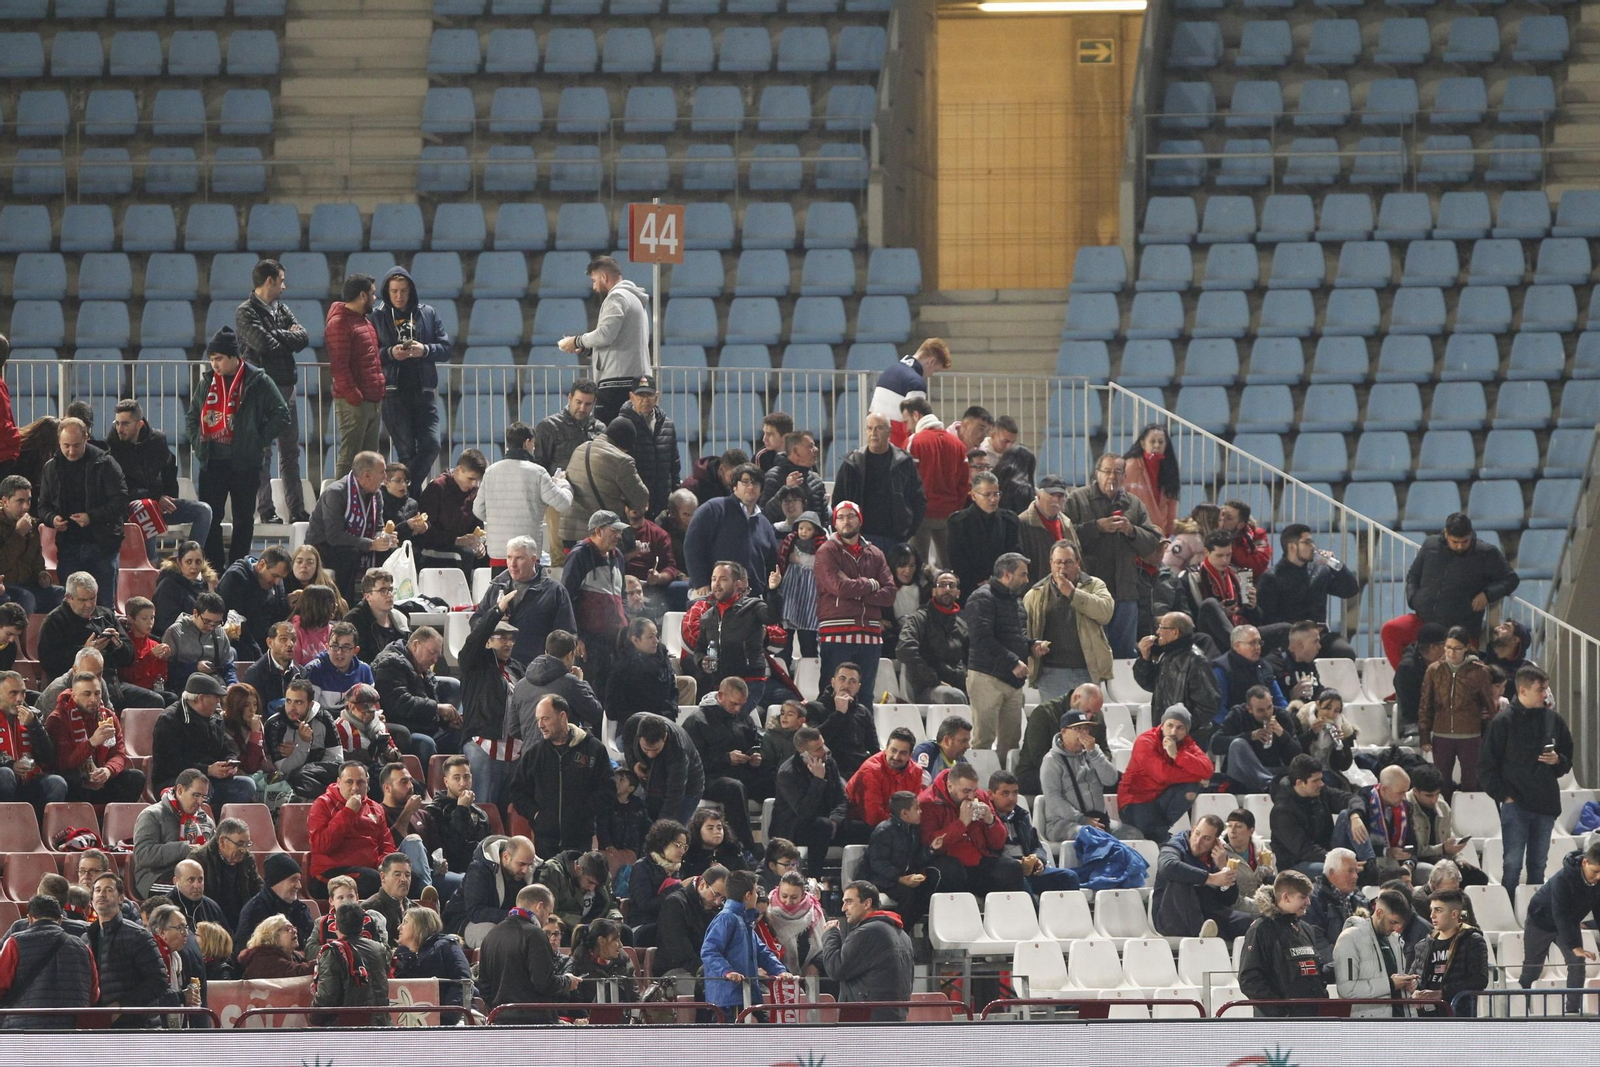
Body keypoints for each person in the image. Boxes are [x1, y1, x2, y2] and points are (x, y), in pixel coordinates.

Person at [187, 327, 294, 569]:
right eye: (212, 360)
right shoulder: (207, 382)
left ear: (235, 357)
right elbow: (192, 417)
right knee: (210, 518)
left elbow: (282, 414)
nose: (215, 365)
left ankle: (238, 567)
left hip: (245, 462)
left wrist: (257, 439)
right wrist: (198, 442)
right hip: (212, 459)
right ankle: (213, 568)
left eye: (219, 359)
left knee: (244, 519)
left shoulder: (258, 381)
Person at [1382, 512, 1520, 668]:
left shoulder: (1486, 553)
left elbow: (1511, 579)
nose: (1460, 546)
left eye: (1465, 541)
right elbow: (1413, 575)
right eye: (1455, 542)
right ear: (1446, 534)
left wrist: (1488, 595)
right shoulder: (1430, 545)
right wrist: (1414, 598)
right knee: (1390, 630)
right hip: (1424, 620)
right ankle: (1408, 680)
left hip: (1461, 627)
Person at [1481, 664, 1573, 889]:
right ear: (1523, 690)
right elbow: (1486, 766)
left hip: (1545, 803)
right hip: (1516, 804)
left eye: (1546, 689)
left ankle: (1534, 915)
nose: (1546, 694)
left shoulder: (1554, 720)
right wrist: (1504, 796)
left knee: (1538, 865)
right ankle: (1510, 907)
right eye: (1541, 689)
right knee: (1512, 865)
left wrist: (1558, 761)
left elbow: (1567, 758)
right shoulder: (1502, 723)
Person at [233, 259, 310, 524]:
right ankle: (266, 511)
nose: (284, 286)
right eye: (281, 280)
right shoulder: (245, 311)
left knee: (290, 453)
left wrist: (277, 336)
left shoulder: (281, 308)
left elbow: (304, 337)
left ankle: (297, 510)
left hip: (286, 387)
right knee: (263, 452)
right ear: (269, 281)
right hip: (261, 390)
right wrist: (284, 336)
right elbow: (262, 344)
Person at [1064, 455, 1162, 658]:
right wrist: (1096, 527)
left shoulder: (1134, 504)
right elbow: (1065, 538)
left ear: (1125, 476)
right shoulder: (1077, 499)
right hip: (1089, 589)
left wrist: (1131, 531)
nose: (1112, 477)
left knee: (1124, 654)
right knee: (1091, 652)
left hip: (1125, 591)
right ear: (1097, 473)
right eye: (1107, 471)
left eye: (1118, 472)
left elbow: (1152, 542)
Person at [37, 416, 128, 609]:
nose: (71, 450)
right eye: (66, 445)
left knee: (104, 607)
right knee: (71, 608)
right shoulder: (51, 467)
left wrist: (92, 517)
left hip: (103, 545)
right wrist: (53, 519)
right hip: (69, 545)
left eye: (76, 445)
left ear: (86, 438)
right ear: (59, 442)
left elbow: (120, 501)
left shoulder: (105, 463)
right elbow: (42, 506)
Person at [107, 399, 211, 566]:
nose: (120, 429)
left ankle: (186, 560)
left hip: (157, 502)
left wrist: (168, 496)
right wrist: (156, 498)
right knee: (146, 508)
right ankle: (152, 564)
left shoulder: (157, 440)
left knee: (204, 511)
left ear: (140, 424)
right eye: (117, 423)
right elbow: (122, 489)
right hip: (131, 509)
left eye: (125, 424)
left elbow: (169, 468)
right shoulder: (112, 448)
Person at [507, 694, 613, 858]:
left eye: (545, 719)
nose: (540, 725)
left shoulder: (594, 749)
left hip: (581, 841)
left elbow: (607, 788)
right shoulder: (534, 754)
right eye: (538, 720)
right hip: (544, 844)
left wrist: (584, 812)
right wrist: (537, 815)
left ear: (562, 716)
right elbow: (517, 792)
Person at [964, 552, 1044, 756]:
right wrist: (1013, 661)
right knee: (983, 740)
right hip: (986, 678)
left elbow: (1015, 637)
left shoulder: (1016, 601)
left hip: (1013, 681)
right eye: (1023, 574)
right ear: (1007, 575)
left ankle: (1003, 785)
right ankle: (978, 786)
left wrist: (1031, 645)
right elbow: (981, 639)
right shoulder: (981, 598)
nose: (1027, 580)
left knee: (1011, 742)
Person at [812, 500, 896, 694]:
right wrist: (870, 584)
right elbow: (840, 587)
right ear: (834, 522)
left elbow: (890, 594)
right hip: (836, 632)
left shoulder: (876, 553)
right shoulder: (826, 551)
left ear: (860, 520)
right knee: (832, 694)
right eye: (840, 517)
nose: (846, 521)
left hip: (871, 634)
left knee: (864, 696)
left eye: (851, 516)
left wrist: (856, 593)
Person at [558, 256, 651, 424]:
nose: (594, 287)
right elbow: (620, 338)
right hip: (635, 379)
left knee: (609, 440)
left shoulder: (616, 297)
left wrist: (577, 341)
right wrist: (588, 349)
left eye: (594, 280)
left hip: (617, 383)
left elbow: (605, 334)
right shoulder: (635, 298)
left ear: (604, 277)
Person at [770, 727, 870, 879]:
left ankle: (860, 883)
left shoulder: (829, 762)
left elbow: (842, 798)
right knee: (821, 826)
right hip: (792, 827)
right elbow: (805, 813)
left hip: (829, 822)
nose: (824, 751)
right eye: (818, 749)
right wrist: (818, 780)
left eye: (823, 745)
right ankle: (813, 880)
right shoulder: (787, 773)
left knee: (867, 830)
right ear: (804, 754)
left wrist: (835, 820)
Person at [476, 882, 580, 1024]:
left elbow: (484, 985)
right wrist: (568, 981)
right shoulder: (535, 934)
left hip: (500, 1021)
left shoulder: (491, 935)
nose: (546, 920)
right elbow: (544, 983)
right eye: (549, 913)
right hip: (536, 1024)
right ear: (540, 906)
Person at [456, 598, 525, 813]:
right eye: (501, 637)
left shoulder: (518, 668)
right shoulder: (475, 664)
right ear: (487, 641)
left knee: (508, 814)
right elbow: (474, 640)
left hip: (515, 750)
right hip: (484, 747)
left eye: (511, 638)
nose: (508, 642)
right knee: (483, 810)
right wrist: (496, 611)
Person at [1025, 539, 1114, 701]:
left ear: (1078, 563)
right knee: (1055, 723)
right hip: (1051, 673)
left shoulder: (1094, 585)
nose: (1062, 567)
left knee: (1085, 723)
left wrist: (1073, 593)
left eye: (1068, 562)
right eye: (1058, 562)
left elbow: (1105, 613)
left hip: (1087, 670)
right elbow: (1026, 630)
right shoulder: (1035, 593)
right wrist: (1033, 645)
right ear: (1050, 563)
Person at [306, 451, 400, 602]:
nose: (385, 477)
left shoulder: (377, 494)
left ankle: (383, 603)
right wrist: (370, 544)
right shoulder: (336, 493)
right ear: (367, 475)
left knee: (393, 552)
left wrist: (384, 538)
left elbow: (378, 528)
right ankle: (345, 605)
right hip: (324, 547)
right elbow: (334, 536)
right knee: (350, 554)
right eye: (382, 472)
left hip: (356, 545)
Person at [470, 535, 576, 669]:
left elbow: (566, 633)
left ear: (533, 559)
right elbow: (475, 621)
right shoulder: (497, 586)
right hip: (497, 667)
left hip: (536, 668)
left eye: (519, 558)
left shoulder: (555, 591)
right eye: (509, 557)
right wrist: (494, 620)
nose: (512, 564)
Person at [1418, 626, 1500, 797]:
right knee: (1442, 780)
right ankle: (1446, 817)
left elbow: (1489, 707)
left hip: (1470, 735)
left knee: (1471, 781)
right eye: (1448, 647)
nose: (1451, 653)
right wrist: (1424, 735)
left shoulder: (1479, 672)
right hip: (1442, 733)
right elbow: (1426, 704)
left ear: (1466, 648)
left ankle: (1469, 818)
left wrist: (1487, 731)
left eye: (1457, 648)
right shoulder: (1434, 670)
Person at [816, 880, 915, 1022]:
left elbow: (836, 968)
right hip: (893, 1017)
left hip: (867, 1021)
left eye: (849, 902)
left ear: (867, 903)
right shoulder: (901, 933)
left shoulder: (867, 932)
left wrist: (831, 934)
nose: (843, 908)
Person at [1256, 525, 1360, 658]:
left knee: (1344, 651)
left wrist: (1337, 566)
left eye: (1312, 542)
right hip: (1291, 638)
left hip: (1318, 636)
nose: (1313, 546)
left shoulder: (1320, 571)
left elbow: (1350, 590)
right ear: (1292, 547)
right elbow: (1267, 618)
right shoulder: (1272, 577)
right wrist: (1300, 630)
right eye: (1307, 542)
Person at [150, 673, 254, 806]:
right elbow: (169, 764)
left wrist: (230, 763)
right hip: (175, 781)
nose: (218, 701)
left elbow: (226, 748)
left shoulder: (216, 718)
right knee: (202, 787)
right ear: (201, 699)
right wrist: (207, 770)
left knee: (246, 785)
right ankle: (202, 823)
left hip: (211, 778)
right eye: (215, 697)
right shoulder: (169, 720)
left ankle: (216, 822)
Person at [684, 678, 764, 852]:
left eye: (741, 705)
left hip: (741, 772)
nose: (737, 709)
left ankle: (778, 845)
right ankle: (745, 848)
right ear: (720, 696)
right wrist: (726, 759)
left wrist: (756, 757)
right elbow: (693, 764)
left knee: (773, 781)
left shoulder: (742, 717)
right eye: (734, 704)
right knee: (734, 788)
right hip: (707, 778)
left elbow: (755, 742)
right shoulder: (697, 721)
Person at [475, 422, 572, 565]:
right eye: (533, 444)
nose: (534, 448)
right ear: (527, 442)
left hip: (499, 552)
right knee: (529, 587)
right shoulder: (538, 472)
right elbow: (563, 503)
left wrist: (497, 519)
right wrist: (563, 483)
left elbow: (478, 509)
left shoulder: (491, 472)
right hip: (527, 551)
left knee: (501, 587)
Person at [0, 893, 99, 1028]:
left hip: (24, 1029)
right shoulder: (83, 947)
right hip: (71, 1031)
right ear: (60, 919)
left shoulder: (15, 943)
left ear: (29, 918)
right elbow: (93, 994)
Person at [1236, 869, 1327, 1016]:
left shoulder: (1306, 929)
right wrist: (1280, 1013)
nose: (1308, 902)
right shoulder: (1261, 930)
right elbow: (1250, 980)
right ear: (1286, 897)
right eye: (1303, 897)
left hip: (1310, 1019)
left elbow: (1315, 971)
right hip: (1276, 1026)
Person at [1117, 704, 1213, 841]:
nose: (1173, 732)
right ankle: (1164, 837)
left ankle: (1162, 834)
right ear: (1162, 725)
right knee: (1155, 834)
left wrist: (1177, 755)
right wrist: (1197, 777)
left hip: (1160, 800)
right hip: (1135, 801)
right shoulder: (1145, 741)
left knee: (1193, 787)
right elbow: (1162, 775)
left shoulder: (1186, 744)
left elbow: (1208, 769)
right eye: (1170, 725)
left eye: (1180, 728)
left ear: (1186, 731)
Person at [831, 413, 926, 552]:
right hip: (861, 537)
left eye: (879, 428)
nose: (873, 433)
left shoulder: (904, 463)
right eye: (869, 428)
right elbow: (838, 501)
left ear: (889, 431)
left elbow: (918, 500)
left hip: (895, 538)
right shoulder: (852, 463)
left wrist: (908, 531)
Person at [47, 671, 146, 803]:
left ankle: (113, 820)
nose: (93, 699)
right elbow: (64, 763)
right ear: (74, 696)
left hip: (101, 778)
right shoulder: (58, 719)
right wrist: (92, 743)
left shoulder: (109, 717)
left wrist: (108, 770)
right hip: (76, 783)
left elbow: (119, 753)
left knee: (136, 777)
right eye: (87, 694)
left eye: (97, 693)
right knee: (70, 777)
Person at [85, 871, 168, 1027]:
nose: (102, 894)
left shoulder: (138, 936)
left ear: (121, 898)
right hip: (102, 1025)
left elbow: (159, 981)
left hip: (138, 1026)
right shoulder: (87, 937)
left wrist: (121, 1006)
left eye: (109, 890)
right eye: (97, 890)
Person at [701, 868, 786, 1020]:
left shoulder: (744, 921)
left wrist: (779, 970)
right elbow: (709, 951)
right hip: (728, 999)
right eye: (755, 892)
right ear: (748, 895)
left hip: (747, 994)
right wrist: (727, 971)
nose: (757, 896)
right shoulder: (727, 919)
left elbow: (762, 951)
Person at [683, 463, 779, 597]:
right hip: (712, 595)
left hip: (751, 600)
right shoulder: (713, 509)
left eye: (755, 483)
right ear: (734, 487)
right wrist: (700, 582)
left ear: (761, 490)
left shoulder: (764, 524)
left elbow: (771, 563)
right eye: (745, 482)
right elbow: (692, 546)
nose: (751, 487)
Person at [1041, 707, 1135, 842]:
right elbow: (1053, 798)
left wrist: (1094, 754)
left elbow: (1111, 780)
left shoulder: (1093, 752)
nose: (1083, 733)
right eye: (1078, 729)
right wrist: (1081, 819)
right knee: (1091, 835)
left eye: (1086, 728)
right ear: (1064, 732)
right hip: (1063, 824)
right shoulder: (1052, 760)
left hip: (1098, 820)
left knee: (1132, 834)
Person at [1269, 754, 1370, 878]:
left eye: (1321, 779)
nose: (1321, 784)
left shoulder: (1320, 792)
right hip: (1297, 864)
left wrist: (1355, 816)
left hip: (1328, 853)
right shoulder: (1281, 811)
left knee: (1348, 813)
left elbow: (1352, 798)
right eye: (1315, 781)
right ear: (1300, 783)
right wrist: (1339, 862)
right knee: (1336, 871)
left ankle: (1370, 864)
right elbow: (1304, 850)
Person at [1153, 814, 1251, 940]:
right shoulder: (1174, 845)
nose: (1198, 841)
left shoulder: (1218, 855)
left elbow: (1229, 900)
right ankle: (1206, 935)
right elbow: (1167, 866)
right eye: (1197, 833)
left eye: (1206, 838)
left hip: (1207, 915)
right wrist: (1210, 878)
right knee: (1180, 879)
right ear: (1193, 830)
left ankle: (1211, 934)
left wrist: (1223, 867)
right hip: (1172, 917)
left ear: (1216, 841)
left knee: (1250, 921)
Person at [559, 416, 651, 550]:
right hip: (600, 536)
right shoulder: (622, 460)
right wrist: (623, 498)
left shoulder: (580, 448)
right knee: (602, 571)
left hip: (570, 532)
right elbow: (641, 499)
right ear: (625, 445)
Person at [324, 272, 384, 474]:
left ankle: (364, 504)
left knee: (369, 461)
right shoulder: (339, 323)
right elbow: (339, 365)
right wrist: (354, 395)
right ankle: (340, 503)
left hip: (371, 398)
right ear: (362, 295)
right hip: (355, 402)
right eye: (373, 294)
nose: (375, 298)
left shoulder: (363, 321)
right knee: (350, 457)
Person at [305, 760, 391, 898]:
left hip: (369, 871)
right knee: (373, 879)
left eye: (360, 782)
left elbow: (387, 845)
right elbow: (322, 846)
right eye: (349, 782)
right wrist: (348, 812)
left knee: (406, 878)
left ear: (367, 783)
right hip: (329, 874)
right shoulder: (322, 804)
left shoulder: (376, 808)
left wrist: (384, 864)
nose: (355, 787)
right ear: (339, 782)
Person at [561, 509, 630, 681]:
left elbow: (622, 596)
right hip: (590, 643)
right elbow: (566, 599)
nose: (619, 536)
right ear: (598, 531)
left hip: (615, 640)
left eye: (620, 531)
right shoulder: (578, 556)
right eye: (614, 531)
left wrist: (626, 622)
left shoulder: (617, 556)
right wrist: (575, 637)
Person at [373, 627, 461, 758]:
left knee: (460, 734)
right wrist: (437, 709)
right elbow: (399, 703)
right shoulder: (390, 664)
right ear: (415, 645)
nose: (435, 660)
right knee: (426, 743)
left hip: (422, 722)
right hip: (403, 727)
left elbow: (427, 697)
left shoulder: (420, 665)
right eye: (432, 653)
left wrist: (446, 720)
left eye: (438, 655)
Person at [989, 770, 1079, 893]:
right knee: (1020, 881)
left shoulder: (1021, 816)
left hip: (1028, 870)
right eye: (1005, 793)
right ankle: (1036, 912)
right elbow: (988, 855)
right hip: (1006, 872)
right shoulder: (987, 819)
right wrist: (1016, 864)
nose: (1011, 798)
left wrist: (1037, 859)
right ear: (991, 794)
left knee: (1069, 877)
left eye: (1015, 793)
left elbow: (1037, 845)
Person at [1133, 613, 1221, 739]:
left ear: (1175, 632)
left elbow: (1209, 704)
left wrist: (1181, 727)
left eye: (1162, 627)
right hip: (1166, 733)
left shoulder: (1196, 660)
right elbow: (1149, 684)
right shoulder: (1166, 655)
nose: (1158, 631)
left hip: (1187, 738)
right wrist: (1145, 659)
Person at [1333, 887, 1416, 1017]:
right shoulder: (1349, 939)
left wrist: (1408, 984)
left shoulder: (1395, 939)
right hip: (1369, 1028)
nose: (1397, 928)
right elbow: (1347, 990)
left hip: (1401, 1021)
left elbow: (1396, 980)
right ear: (1379, 912)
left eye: (1400, 924)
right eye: (1393, 922)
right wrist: (1390, 984)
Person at [441, 835, 537, 948]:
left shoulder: (525, 875)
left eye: (529, 865)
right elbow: (475, 912)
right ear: (506, 857)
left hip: (505, 923)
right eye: (521, 864)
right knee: (498, 935)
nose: (525, 870)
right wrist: (514, 915)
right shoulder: (479, 869)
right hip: (463, 922)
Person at [310, 901, 391, 1027]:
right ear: (362, 924)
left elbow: (327, 996)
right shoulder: (379, 948)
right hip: (382, 1023)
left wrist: (314, 1017)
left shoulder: (333, 952)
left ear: (335, 925)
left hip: (349, 1028)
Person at [1411, 887, 1490, 1017]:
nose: (1432, 915)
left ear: (1454, 914)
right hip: (1425, 1016)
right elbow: (1414, 976)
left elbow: (1479, 979)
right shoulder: (1424, 944)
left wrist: (1442, 993)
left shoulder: (1472, 941)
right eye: (1431, 910)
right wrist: (1414, 990)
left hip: (1457, 1014)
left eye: (1438, 910)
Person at [945, 472, 1020, 605]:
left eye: (996, 494)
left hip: (1004, 588)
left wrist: (997, 580)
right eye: (987, 495)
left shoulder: (1009, 521)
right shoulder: (958, 523)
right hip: (971, 590)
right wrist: (981, 583)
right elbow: (957, 560)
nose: (993, 499)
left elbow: (1015, 555)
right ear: (974, 495)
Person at [1211, 685, 1301, 792]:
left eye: (1269, 707)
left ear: (1272, 700)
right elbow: (1215, 744)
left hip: (1272, 771)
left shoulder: (1282, 716)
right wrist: (1249, 736)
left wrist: (1283, 734)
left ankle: (1268, 782)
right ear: (1249, 709)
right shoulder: (1238, 714)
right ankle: (1269, 783)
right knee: (1238, 744)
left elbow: (1297, 755)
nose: (1267, 714)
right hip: (1243, 774)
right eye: (1260, 710)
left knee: (1298, 771)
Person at [264, 679, 343, 798]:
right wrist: (304, 743)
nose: (292, 708)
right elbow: (285, 769)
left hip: (322, 776)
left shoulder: (324, 718)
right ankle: (330, 801)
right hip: (294, 780)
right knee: (298, 776)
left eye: (298, 703)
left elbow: (337, 760)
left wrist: (297, 752)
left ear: (310, 704)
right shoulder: (274, 725)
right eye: (288, 701)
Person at [0, 670, 64, 810]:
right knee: (5, 775)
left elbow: (47, 757)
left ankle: (40, 829)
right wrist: (11, 766)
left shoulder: (33, 716)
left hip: (28, 782)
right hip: (3, 782)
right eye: (13, 693)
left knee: (57, 783)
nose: (20, 699)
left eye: (23, 692)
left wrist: (34, 726)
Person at [870, 338, 951, 449]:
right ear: (931, 361)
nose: (931, 375)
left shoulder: (888, 371)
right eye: (934, 370)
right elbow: (914, 423)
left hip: (877, 444)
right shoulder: (916, 382)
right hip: (899, 449)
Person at [215, 546, 292, 661]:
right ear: (261, 565)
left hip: (265, 642)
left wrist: (288, 605)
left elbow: (278, 617)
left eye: (281, 578)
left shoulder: (277, 584)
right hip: (239, 642)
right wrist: (259, 655)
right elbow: (235, 621)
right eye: (275, 576)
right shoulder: (236, 577)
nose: (277, 581)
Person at [804, 662, 879, 781]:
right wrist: (839, 713)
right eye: (842, 679)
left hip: (859, 772)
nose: (846, 685)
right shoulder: (814, 707)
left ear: (858, 687)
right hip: (828, 770)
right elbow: (812, 741)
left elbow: (874, 748)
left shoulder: (863, 712)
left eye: (852, 681)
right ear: (833, 682)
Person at [0, 476, 60, 615]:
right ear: (5, 501)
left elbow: (37, 561)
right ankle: (15, 637)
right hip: (5, 586)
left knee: (62, 595)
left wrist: (41, 574)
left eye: (28, 500)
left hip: (28, 584)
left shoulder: (31, 525)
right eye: (20, 501)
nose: (26, 506)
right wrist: (19, 535)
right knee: (26, 598)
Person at [606, 616, 682, 723]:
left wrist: (672, 708)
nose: (656, 641)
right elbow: (612, 710)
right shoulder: (622, 668)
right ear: (636, 640)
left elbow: (673, 688)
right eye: (650, 637)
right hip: (637, 727)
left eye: (656, 635)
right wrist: (643, 718)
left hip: (665, 722)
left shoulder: (662, 657)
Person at [189, 817, 260, 932]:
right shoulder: (199, 859)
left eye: (247, 844)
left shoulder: (247, 859)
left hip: (241, 922)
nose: (244, 850)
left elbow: (257, 889)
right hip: (210, 925)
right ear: (222, 841)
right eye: (240, 844)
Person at [160, 591, 238, 696]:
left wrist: (232, 683)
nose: (211, 627)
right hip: (185, 686)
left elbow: (227, 664)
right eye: (206, 621)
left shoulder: (219, 632)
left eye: (216, 623)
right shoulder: (175, 632)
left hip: (215, 683)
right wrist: (194, 668)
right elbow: (166, 670)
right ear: (195, 613)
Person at [846, 727, 923, 827]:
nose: (896, 757)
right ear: (886, 749)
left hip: (896, 823)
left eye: (903, 753)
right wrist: (905, 822)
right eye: (893, 750)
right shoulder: (871, 770)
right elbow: (873, 817)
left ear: (910, 755)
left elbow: (915, 808)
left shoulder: (916, 771)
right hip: (860, 822)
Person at [1122, 423, 1179, 536]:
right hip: (1134, 532)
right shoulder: (1130, 466)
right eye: (1152, 441)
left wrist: (1168, 532)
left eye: (1161, 442)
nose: (1157, 445)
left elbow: (1171, 504)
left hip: (1159, 534)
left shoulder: (1170, 469)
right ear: (1143, 444)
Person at [759, 430, 828, 523]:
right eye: (810, 446)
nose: (816, 449)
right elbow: (765, 515)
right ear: (795, 451)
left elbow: (824, 519)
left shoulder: (815, 479)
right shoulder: (773, 477)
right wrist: (785, 490)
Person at [343, 569, 409, 664]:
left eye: (390, 590)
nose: (390, 595)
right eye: (383, 591)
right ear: (368, 596)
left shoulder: (401, 618)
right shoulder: (354, 620)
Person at [1394, 623, 1447, 737]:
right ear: (1433, 647)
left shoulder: (1445, 664)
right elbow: (1412, 710)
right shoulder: (1408, 669)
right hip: (1414, 724)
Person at [359, 852, 417, 948]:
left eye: (407, 875)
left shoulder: (416, 909)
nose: (403, 879)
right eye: (397, 874)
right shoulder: (368, 909)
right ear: (383, 877)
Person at [238, 913, 315, 980]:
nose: (295, 931)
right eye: (288, 929)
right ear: (272, 935)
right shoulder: (263, 959)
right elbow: (297, 972)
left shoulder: (294, 955)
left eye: (293, 928)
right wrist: (322, 962)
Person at [911, 712, 971, 787]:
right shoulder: (928, 752)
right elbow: (920, 789)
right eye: (963, 741)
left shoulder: (962, 762)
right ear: (947, 740)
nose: (968, 746)